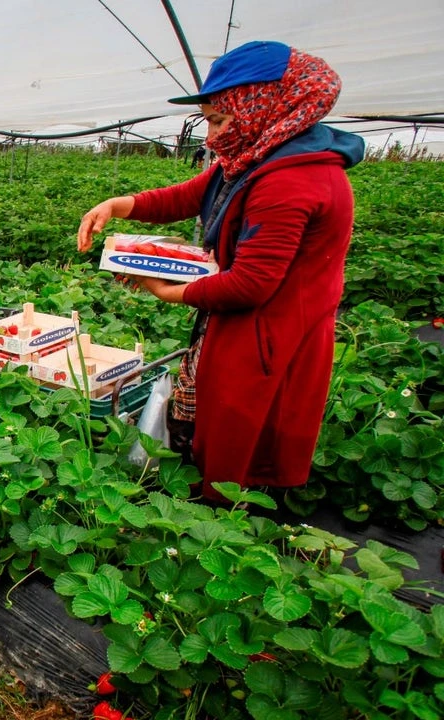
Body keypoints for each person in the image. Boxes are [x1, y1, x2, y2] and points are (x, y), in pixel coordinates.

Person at [76, 40, 364, 500]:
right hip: (245, 322)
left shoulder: (292, 179)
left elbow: (250, 284)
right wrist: (118, 205)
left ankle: (222, 521)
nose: (211, 137)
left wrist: (167, 291)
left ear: (262, 106)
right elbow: (190, 194)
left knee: (241, 434)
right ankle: (205, 496)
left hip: (271, 331)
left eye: (218, 119)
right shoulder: (257, 157)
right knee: (212, 416)